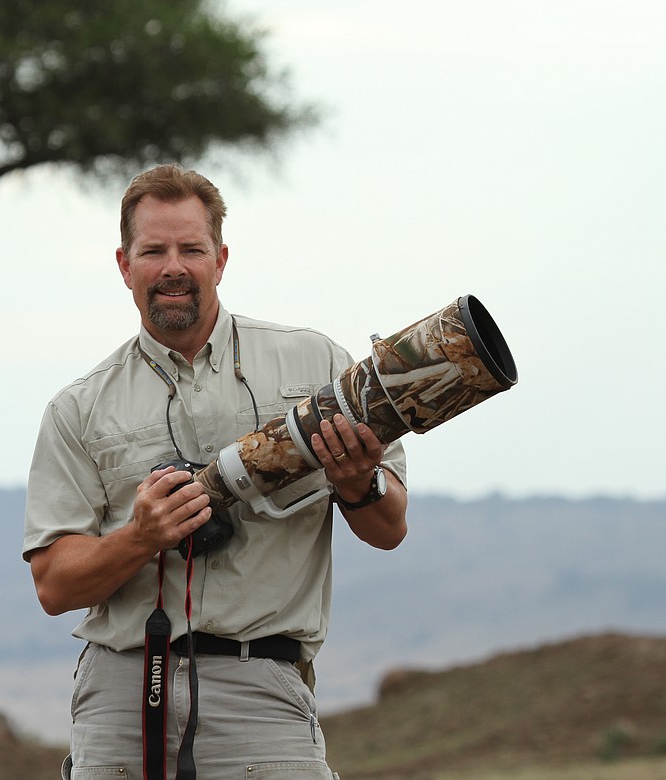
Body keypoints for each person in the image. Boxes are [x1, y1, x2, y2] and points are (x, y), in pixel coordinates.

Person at [23, 164, 408, 780]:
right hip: (122, 695)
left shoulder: (318, 365)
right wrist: (141, 537)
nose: (173, 266)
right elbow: (54, 587)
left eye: (191, 249)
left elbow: (389, 529)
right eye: (153, 250)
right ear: (124, 265)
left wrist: (359, 482)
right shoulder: (78, 408)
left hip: (264, 694)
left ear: (220, 259)